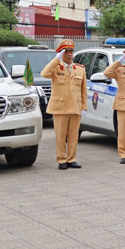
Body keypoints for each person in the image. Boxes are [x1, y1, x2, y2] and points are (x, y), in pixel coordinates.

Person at [41, 40, 87, 170]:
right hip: (60, 107)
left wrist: (84, 106)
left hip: (75, 106)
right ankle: (61, 160)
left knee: (73, 136)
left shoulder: (80, 69)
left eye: (71, 51)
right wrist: (56, 60)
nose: (69, 54)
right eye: (66, 51)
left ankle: (72, 159)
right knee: (61, 136)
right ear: (61, 53)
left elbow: (83, 90)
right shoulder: (56, 67)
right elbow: (44, 74)